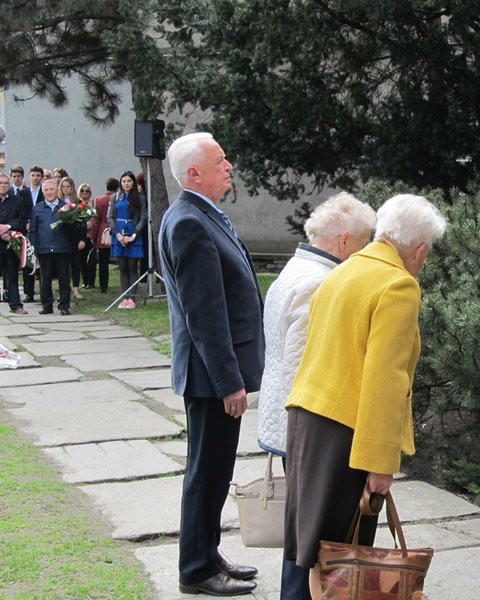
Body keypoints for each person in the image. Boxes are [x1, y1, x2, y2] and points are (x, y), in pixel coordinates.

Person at [281, 194, 447, 599]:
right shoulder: (398, 285)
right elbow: (384, 380)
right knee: (338, 557)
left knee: (305, 548)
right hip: (347, 433)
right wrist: (379, 463)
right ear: (420, 250)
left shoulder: (345, 268)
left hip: (308, 419)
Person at [160, 131, 265, 597]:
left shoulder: (202, 214)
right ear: (194, 173)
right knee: (206, 472)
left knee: (215, 470)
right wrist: (228, 383)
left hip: (212, 374)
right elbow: (205, 314)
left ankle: (208, 551)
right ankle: (197, 568)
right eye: (220, 160)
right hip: (209, 378)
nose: (230, 167)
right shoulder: (188, 222)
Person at [257, 192, 376, 459]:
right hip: (307, 426)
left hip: (284, 412)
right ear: (344, 241)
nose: (367, 251)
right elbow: (306, 364)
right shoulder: (320, 283)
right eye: (364, 243)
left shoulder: (297, 267)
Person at [29, 178, 71, 315]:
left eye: (51, 189)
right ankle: (47, 305)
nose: (49, 192)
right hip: (44, 248)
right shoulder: (37, 209)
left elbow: (72, 228)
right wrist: (35, 247)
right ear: (43, 191)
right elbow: (33, 230)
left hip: (61, 248)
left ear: (56, 190)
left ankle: (64, 306)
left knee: (64, 278)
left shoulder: (65, 208)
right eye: (46, 190)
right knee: (45, 279)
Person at [108, 171, 146, 308]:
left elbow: (143, 217)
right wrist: (117, 234)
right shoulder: (115, 197)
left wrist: (133, 236)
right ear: (120, 183)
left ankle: (132, 298)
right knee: (123, 267)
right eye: (124, 181)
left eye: (129, 181)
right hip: (118, 234)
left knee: (132, 267)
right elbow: (110, 217)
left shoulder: (140, 197)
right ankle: (124, 297)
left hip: (133, 234)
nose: (126, 183)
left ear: (133, 183)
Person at [0, 174, 28, 315]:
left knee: (12, 275)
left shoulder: (18, 201)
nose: (3, 185)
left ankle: (16, 305)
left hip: (11, 243)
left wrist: (8, 227)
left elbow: (22, 220)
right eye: (1, 183)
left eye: (5, 183)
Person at [87, 178, 118, 293]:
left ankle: (103, 286)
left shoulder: (98, 200)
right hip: (117, 229)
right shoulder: (118, 198)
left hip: (102, 231)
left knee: (103, 262)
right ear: (117, 188)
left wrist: (93, 236)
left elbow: (95, 220)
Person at [57, 177, 85, 300]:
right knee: (63, 265)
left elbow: (83, 222)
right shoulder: (58, 202)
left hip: (75, 237)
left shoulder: (78, 202)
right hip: (62, 237)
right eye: (63, 187)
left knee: (75, 264)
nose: (66, 189)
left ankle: (76, 289)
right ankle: (63, 289)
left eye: (68, 186)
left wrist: (82, 239)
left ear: (72, 187)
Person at [22, 166, 45, 302]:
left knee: (43, 264)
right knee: (28, 263)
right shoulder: (23, 193)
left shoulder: (45, 192)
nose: (35, 178)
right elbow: (20, 210)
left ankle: (44, 293)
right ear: (29, 177)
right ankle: (29, 292)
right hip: (27, 232)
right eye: (33, 175)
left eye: (38, 175)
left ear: (41, 177)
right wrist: (26, 222)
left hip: (42, 231)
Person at [76, 183, 95, 289]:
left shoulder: (92, 204)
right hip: (80, 236)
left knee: (91, 260)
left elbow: (94, 218)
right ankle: (85, 280)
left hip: (90, 235)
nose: (84, 193)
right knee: (82, 260)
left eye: (87, 191)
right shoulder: (77, 205)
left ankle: (91, 282)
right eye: (82, 191)